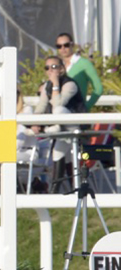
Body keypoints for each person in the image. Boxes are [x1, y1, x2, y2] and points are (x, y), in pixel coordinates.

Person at [32, 55, 87, 192]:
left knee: (59, 109)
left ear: (62, 69)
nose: (50, 70)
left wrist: (56, 84)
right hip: (63, 132)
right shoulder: (46, 86)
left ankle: (54, 129)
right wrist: (34, 122)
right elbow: (41, 106)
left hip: (75, 127)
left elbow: (59, 104)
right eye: (47, 67)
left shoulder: (70, 84)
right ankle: (59, 191)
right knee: (58, 152)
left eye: (54, 67)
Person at [56, 32, 103, 109]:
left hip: (77, 110)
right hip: (58, 110)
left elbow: (98, 88)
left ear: (72, 45)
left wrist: (87, 106)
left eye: (66, 45)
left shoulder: (84, 63)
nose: (63, 48)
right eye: (59, 46)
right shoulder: (56, 65)